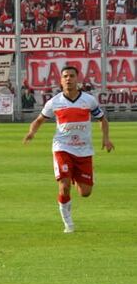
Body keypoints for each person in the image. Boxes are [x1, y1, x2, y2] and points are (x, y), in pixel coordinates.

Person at [23, 66, 114, 233]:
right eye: (65, 76)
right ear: (60, 80)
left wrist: (106, 138)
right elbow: (38, 120)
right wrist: (31, 132)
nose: (68, 79)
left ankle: (72, 176)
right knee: (64, 186)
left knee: (85, 193)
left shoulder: (89, 100)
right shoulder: (54, 102)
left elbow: (102, 119)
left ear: (77, 79)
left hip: (84, 150)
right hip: (62, 147)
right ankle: (68, 224)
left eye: (71, 76)